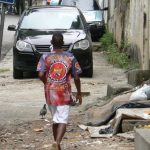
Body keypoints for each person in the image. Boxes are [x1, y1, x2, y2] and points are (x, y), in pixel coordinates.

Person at [37, 32, 82, 150]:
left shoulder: (45, 57)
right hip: (64, 93)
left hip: (50, 93)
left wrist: (47, 83)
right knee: (62, 120)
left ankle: (56, 145)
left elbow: (40, 74)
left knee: (56, 119)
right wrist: (79, 93)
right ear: (63, 43)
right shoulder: (70, 57)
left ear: (51, 43)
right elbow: (76, 77)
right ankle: (57, 142)